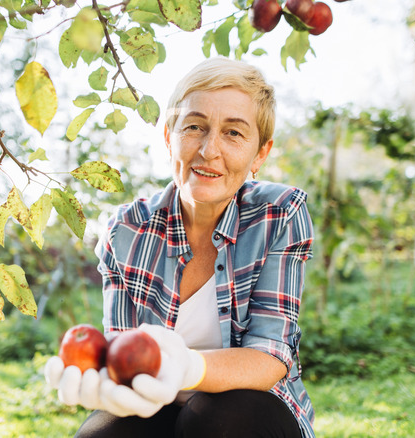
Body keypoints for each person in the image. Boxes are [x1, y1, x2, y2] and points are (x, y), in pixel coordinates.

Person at [45, 57, 315, 438]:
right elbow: (123, 352)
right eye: (195, 126)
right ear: (170, 136)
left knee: (213, 419)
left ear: (260, 154)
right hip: (157, 405)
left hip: (254, 408)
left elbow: (271, 355)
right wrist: (105, 379)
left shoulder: (279, 214)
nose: (209, 150)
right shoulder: (126, 229)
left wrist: (188, 367)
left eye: (234, 133)